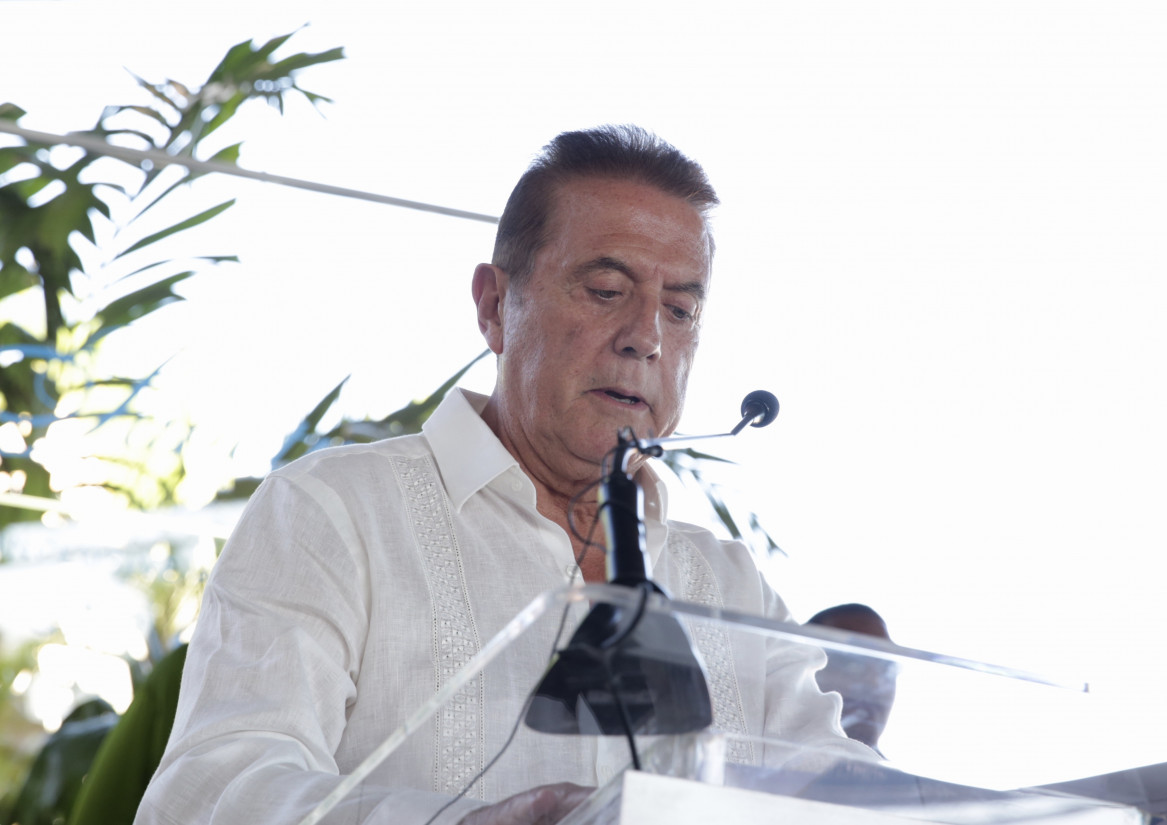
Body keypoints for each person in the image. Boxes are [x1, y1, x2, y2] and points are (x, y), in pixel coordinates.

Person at [136, 125, 865, 825]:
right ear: (494, 307)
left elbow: (849, 800)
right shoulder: (334, 513)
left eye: (679, 310)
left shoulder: (733, 588)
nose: (645, 337)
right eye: (606, 290)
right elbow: (211, 796)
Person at [806, 604, 897, 752]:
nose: (874, 683)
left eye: (886, 669)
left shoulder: (904, 769)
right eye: (852, 665)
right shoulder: (766, 755)